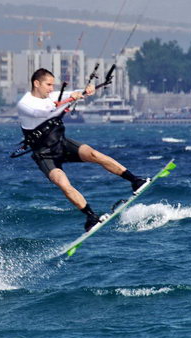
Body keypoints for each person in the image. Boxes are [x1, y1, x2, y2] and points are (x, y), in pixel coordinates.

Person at [17, 68, 149, 231]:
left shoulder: (52, 96)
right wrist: (71, 98)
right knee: (63, 183)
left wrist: (86, 91)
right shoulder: (25, 103)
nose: (51, 88)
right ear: (36, 83)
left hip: (62, 144)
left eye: (53, 85)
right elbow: (42, 112)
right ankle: (91, 217)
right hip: (44, 154)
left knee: (94, 154)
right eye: (48, 84)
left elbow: (75, 93)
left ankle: (136, 181)